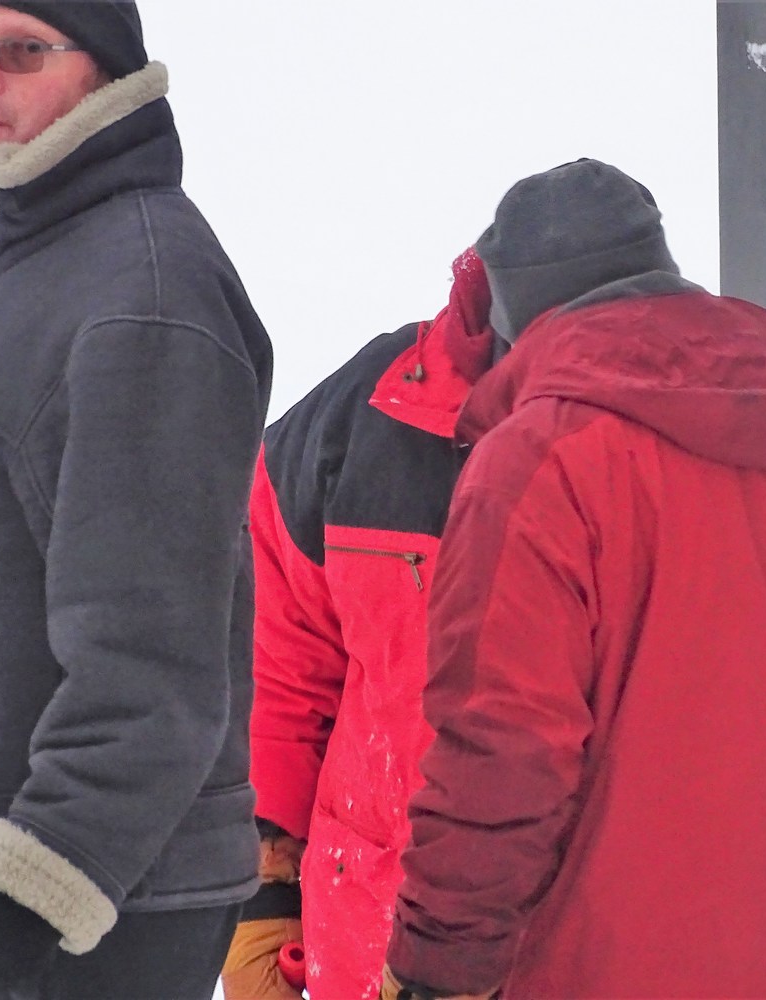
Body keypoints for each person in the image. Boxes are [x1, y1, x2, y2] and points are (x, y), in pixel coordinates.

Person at [380, 158, 766, 1000]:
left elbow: (502, 754)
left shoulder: (539, 462)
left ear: (517, 316)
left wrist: (436, 974)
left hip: (607, 969)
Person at [0, 2, 273, 997]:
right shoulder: (37, 256)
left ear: (103, 69)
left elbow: (152, 664)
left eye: (21, 49)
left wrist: (28, 897)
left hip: (92, 903)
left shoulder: (141, 293)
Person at [219, 248, 496, 1000]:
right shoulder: (369, 417)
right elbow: (278, 670)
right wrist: (263, 891)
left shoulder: (686, 438)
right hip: (370, 939)